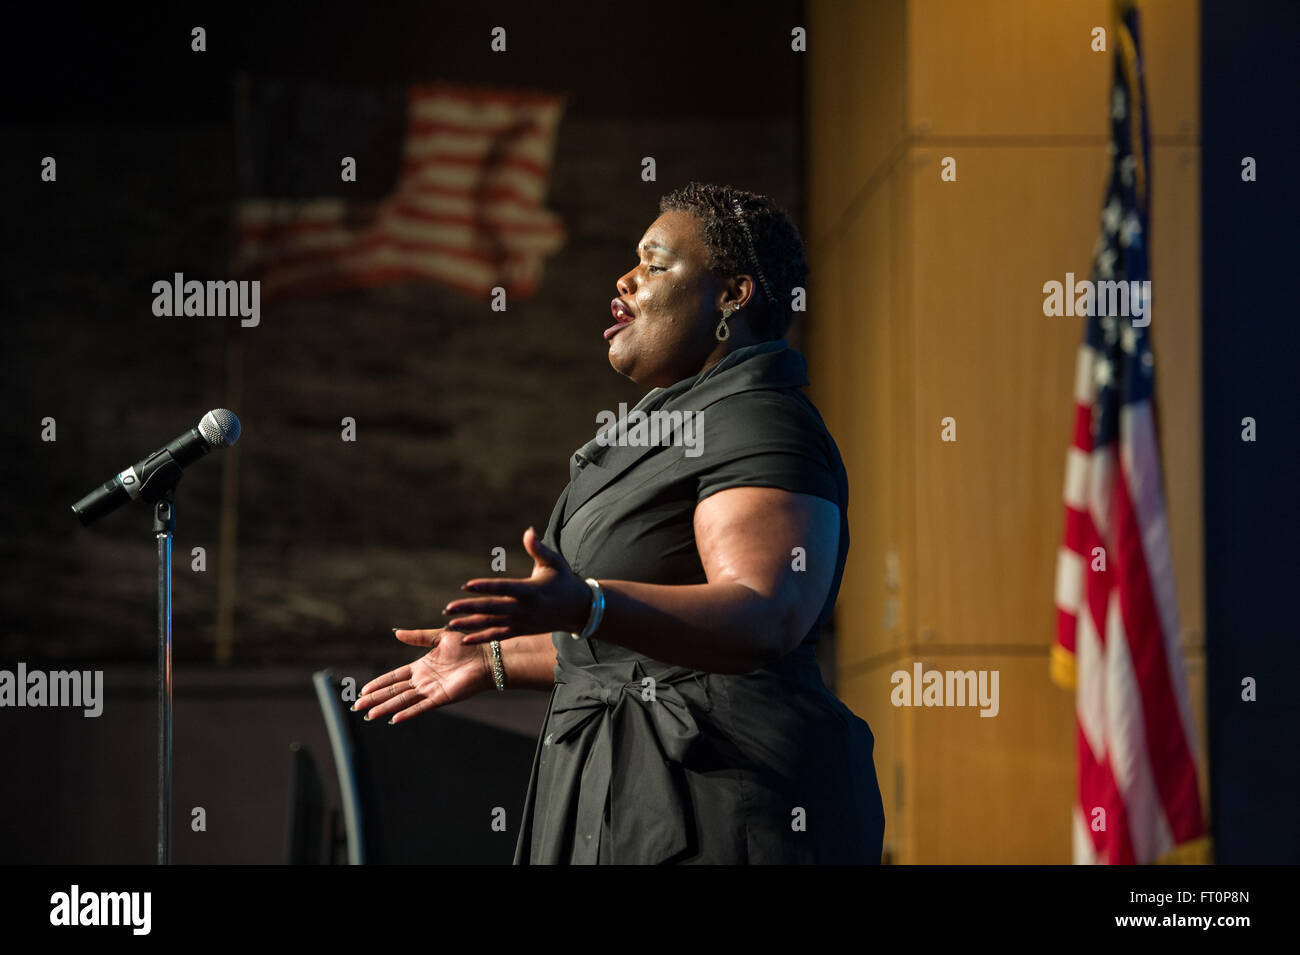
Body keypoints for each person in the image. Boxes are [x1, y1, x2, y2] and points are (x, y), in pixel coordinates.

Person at [353, 182, 885, 864]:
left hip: (725, 800)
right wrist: (492, 658)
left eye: (656, 264)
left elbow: (765, 613)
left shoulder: (757, 417)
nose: (626, 280)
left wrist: (590, 603)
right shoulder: (673, 427)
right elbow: (633, 651)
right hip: (626, 789)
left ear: (733, 295)